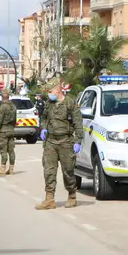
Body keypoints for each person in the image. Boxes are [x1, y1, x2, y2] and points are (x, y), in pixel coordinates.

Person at [34, 76, 82, 210]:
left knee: (68, 171)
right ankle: (49, 199)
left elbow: (78, 123)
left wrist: (78, 141)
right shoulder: (49, 103)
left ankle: (72, 196)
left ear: (57, 89)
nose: (49, 93)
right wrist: (43, 128)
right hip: (50, 141)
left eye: (51, 91)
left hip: (66, 141)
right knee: (49, 170)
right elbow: (43, 117)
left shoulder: (70, 103)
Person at [0, 90, 16, 176]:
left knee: (3, 150)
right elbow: (15, 120)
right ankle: (11, 169)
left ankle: (2, 169)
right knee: (11, 150)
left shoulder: (3, 107)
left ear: (2, 97)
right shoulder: (13, 106)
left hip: (3, 131)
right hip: (11, 130)